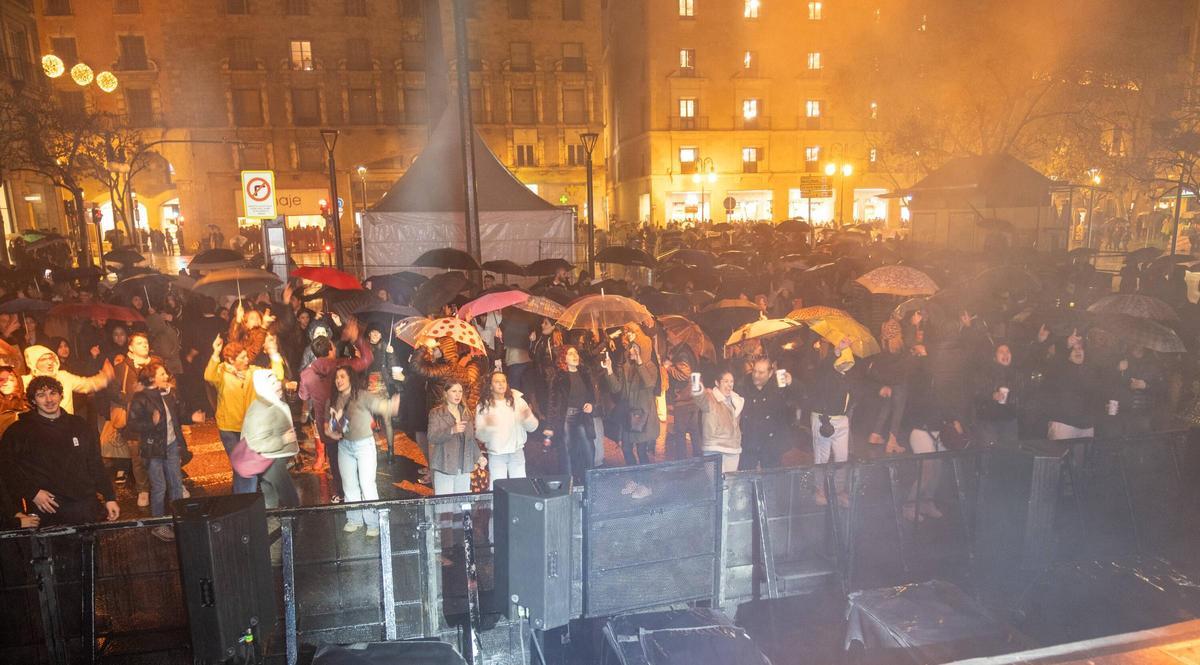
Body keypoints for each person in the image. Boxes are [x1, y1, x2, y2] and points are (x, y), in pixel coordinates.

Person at [0, 376, 119, 526]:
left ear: (61, 396)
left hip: (84, 508)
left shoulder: (79, 425)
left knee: (90, 549)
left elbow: (95, 463)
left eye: (53, 393)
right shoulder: (19, 431)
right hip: (48, 511)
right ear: (33, 401)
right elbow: (7, 470)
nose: (49, 400)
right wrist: (32, 492)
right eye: (41, 395)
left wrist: (109, 497)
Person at [298, 326, 372, 501]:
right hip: (347, 417)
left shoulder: (306, 374)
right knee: (353, 454)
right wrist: (357, 338)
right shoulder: (342, 366)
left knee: (334, 458)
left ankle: (339, 492)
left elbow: (303, 395)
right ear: (331, 349)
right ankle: (359, 491)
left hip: (325, 422)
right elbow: (367, 359)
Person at [205, 334, 285, 494]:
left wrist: (273, 353)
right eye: (242, 358)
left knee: (243, 466)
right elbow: (208, 375)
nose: (247, 360)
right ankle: (245, 501)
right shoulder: (222, 373)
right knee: (243, 466)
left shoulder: (254, 372)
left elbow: (277, 375)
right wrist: (215, 353)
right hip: (229, 428)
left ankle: (241, 500)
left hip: (249, 429)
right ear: (231, 360)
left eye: (246, 356)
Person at [325, 366, 399, 536]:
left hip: (364, 445)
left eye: (342, 376)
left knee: (367, 485)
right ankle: (354, 519)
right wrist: (334, 424)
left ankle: (373, 523)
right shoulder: (335, 400)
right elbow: (339, 428)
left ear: (350, 378)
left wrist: (392, 405)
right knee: (349, 485)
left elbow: (382, 406)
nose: (339, 380)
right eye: (336, 377)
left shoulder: (362, 395)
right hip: (345, 446)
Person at [127, 361, 188, 540]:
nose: (166, 377)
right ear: (152, 378)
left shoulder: (169, 394)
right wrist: (150, 423)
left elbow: (178, 417)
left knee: (176, 483)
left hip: (171, 445)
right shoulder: (141, 397)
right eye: (162, 374)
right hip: (153, 448)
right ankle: (158, 524)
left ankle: (179, 520)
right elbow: (132, 424)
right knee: (159, 487)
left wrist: (191, 416)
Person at [240, 369, 300, 508]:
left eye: (277, 380)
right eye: (272, 383)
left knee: (271, 496)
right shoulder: (259, 410)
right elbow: (255, 444)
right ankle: (297, 526)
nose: (278, 384)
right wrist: (283, 440)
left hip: (275, 458)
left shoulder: (272, 401)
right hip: (270, 461)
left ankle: (272, 523)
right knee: (291, 500)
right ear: (263, 387)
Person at [603, 324, 660, 465]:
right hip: (628, 415)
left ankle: (645, 481)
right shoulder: (626, 367)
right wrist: (609, 370)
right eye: (631, 348)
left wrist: (640, 363)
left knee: (641, 451)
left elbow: (649, 383)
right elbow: (616, 388)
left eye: (635, 348)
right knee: (627, 448)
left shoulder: (650, 366)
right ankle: (635, 477)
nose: (632, 351)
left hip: (642, 416)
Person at [544, 345, 598, 483]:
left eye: (576, 353)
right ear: (564, 358)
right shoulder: (558, 377)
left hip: (583, 416)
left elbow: (594, 396)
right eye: (570, 353)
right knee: (568, 453)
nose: (575, 356)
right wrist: (550, 426)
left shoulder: (585, 373)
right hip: (566, 418)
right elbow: (552, 402)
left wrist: (592, 405)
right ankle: (570, 487)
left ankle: (589, 486)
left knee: (589, 450)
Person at [475, 371, 538, 489]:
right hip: (497, 455)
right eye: (497, 382)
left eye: (503, 381)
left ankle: (519, 508)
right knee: (498, 490)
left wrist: (528, 418)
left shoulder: (518, 401)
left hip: (517, 452)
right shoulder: (483, 405)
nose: (501, 384)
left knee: (520, 489)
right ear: (490, 386)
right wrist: (488, 427)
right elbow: (480, 436)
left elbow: (533, 427)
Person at [22, 343, 113, 415]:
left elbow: (87, 384)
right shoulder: (25, 382)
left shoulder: (64, 376)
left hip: (65, 426)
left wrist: (106, 377)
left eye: (50, 358)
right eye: (43, 359)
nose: (49, 362)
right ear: (33, 362)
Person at [737, 357, 794, 471]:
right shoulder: (743, 385)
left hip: (771, 443)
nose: (756, 375)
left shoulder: (778, 385)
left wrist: (792, 383)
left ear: (770, 373)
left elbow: (799, 396)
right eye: (754, 371)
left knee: (771, 478)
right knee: (746, 476)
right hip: (749, 442)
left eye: (761, 372)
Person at [427, 381, 481, 495]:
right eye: (454, 391)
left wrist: (479, 456)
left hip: (464, 465)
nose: (458, 395)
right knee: (444, 506)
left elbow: (471, 440)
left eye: (460, 391)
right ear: (445, 394)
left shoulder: (466, 413)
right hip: (444, 465)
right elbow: (431, 437)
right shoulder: (436, 413)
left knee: (461, 505)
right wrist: (451, 430)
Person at [692, 368, 744, 473]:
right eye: (725, 381)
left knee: (729, 485)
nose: (729, 385)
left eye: (731, 382)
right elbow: (698, 396)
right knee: (716, 485)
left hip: (733, 449)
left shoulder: (736, 400)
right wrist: (695, 380)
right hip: (714, 447)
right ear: (717, 383)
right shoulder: (709, 398)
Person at [973, 343, 1022, 446]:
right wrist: (992, 395)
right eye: (1001, 352)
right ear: (995, 357)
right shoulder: (986, 372)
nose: (1005, 354)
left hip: (1010, 420)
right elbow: (977, 392)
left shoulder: (1016, 372)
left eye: (1008, 351)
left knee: (1009, 453)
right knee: (990, 454)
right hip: (989, 421)